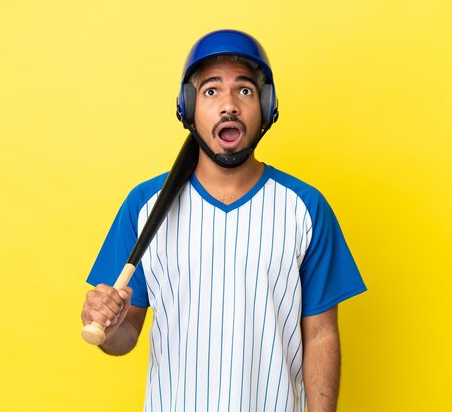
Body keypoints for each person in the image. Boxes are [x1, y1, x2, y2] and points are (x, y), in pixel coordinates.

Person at [81, 29, 366, 412]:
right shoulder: (144, 205)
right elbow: (125, 334)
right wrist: (109, 330)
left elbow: (320, 335)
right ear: (189, 107)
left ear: (265, 105)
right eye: (211, 91)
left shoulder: (305, 207)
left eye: (245, 91)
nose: (229, 105)